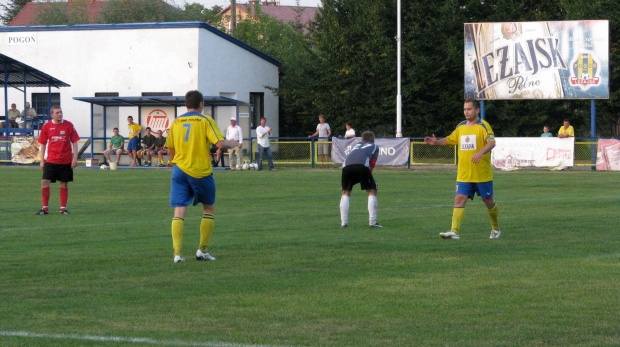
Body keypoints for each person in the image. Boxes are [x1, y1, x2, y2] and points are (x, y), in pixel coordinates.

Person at [166, 90, 236, 263]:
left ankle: (177, 253)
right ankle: (202, 250)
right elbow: (219, 143)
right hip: (200, 170)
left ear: (186, 104)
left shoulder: (176, 122)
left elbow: (170, 149)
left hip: (180, 169)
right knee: (208, 208)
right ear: (201, 104)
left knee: (179, 209)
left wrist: (174, 163)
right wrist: (231, 143)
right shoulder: (205, 120)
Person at [424, 99, 500, 240]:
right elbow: (450, 140)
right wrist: (436, 142)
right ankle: (454, 231)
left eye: (469, 109)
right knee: (459, 200)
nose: (466, 112)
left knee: (488, 201)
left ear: (477, 110)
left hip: (481, 174)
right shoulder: (461, 127)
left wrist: (480, 152)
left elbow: (492, 142)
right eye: (465, 109)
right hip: (464, 174)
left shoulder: (483, 126)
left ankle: (495, 229)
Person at [35, 106, 80, 215]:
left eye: (60, 112)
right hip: (51, 160)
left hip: (65, 161)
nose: (60, 114)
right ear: (52, 115)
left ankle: (63, 209)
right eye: (57, 112)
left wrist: (74, 158)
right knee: (44, 182)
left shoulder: (69, 125)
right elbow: (43, 144)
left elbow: (74, 142)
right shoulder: (47, 126)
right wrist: (42, 160)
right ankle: (45, 209)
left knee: (64, 184)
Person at [340, 131, 382, 228]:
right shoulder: (374, 146)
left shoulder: (357, 145)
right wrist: (369, 179)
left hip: (346, 167)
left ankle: (344, 223)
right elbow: (372, 163)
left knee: (345, 192)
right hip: (362, 166)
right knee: (372, 191)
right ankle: (372, 222)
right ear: (373, 140)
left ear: (362, 139)